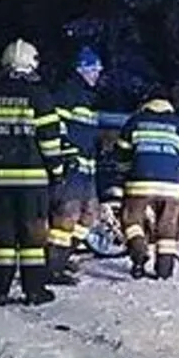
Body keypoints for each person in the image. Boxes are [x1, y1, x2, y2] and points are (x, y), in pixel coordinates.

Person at [0, 39, 65, 306]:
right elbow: (49, 140)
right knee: (33, 237)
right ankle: (34, 290)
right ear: (32, 63)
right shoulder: (39, 95)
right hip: (31, 180)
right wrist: (56, 170)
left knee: (3, 238)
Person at [115, 91, 179, 279]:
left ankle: (139, 252)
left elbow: (121, 154)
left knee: (131, 219)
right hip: (170, 185)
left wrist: (126, 171)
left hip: (139, 181)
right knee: (167, 224)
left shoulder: (135, 121)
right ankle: (165, 270)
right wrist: (176, 171)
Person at [47, 46, 104, 286]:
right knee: (65, 219)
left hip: (86, 171)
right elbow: (55, 127)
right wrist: (66, 157)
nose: (97, 75)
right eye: (94, 70)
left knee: (90, 216)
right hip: (71, 169)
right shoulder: (66, 94)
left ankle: (62, 257)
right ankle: (51, 268)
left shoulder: (88, 99)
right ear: (81, 69)